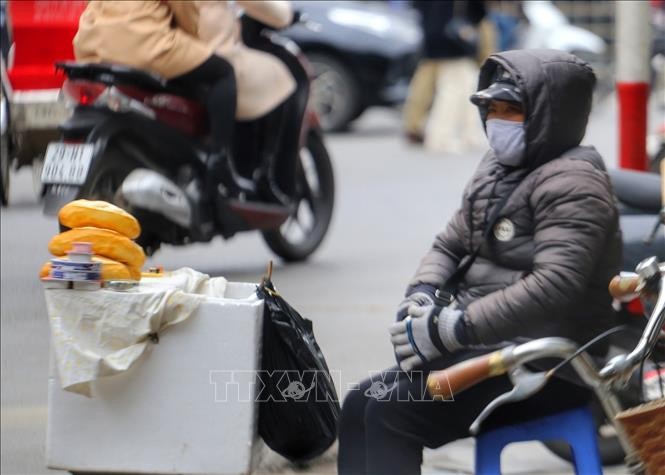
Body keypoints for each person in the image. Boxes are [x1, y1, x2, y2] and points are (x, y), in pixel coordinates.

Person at [338, 49, 621, 474]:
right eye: (491, 109)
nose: (497, 120)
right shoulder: (499, 167)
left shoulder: (574, 184)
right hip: (493, 350)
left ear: (551, 114)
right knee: (360, 403)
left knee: (391, 414)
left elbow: (554, 285)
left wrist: (456, 327)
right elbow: (450, 244)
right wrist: (422, 296)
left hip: (548, 366)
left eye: (511, 110)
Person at [73, 1, 297, 204]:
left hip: (92, 42)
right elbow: (186, 9)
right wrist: (192, 35)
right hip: (140, 43)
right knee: (222, 72)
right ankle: (219, 160)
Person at [402, 1, 486, 147]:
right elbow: (479, 11)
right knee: (454, 92)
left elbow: (416, 6)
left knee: (424, 88)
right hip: (454, 42)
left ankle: (415, 126)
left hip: (430, 39)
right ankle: (441, 137)